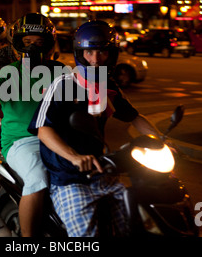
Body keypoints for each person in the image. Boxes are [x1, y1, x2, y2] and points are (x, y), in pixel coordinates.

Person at [28, 20, 162, 237]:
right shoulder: (63, 85)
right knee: (86, 236)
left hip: (101, 172)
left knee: (136, 225)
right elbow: (43, 130)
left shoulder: (108, 88)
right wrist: (74, 157)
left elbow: (135, 118)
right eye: (89, 52)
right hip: (68, 177)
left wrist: (162, 141)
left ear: (112, 54)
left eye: (102, 52)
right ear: (80, 53)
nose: (95, 59)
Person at [0, 13, 66, 237]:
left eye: (39, 42)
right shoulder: (8, 73)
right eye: (27, 42)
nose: (33, 47)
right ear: (18, 45)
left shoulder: (61, 71)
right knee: (38, 177)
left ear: (48, 44)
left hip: (57, 140)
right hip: (21, 142)